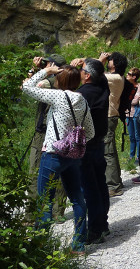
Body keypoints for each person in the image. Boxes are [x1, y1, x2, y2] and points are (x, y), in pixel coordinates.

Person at [22, 61, 95, 253]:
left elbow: (26, 87)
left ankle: (40, 246)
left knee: (45, 200)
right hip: (73, 156)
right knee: (78, 199)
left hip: (53, 154)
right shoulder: (82, 100)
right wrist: (72, 138)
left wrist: (46, 70)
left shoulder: (58, 96)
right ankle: (78, 245)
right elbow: (91, 132)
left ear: (61, 80)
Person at [25, 54, 67, 221]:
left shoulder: (47, 83)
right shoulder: (68, 81)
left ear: (53, 65)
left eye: (48, 63)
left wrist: (38, 71)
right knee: (59, 172)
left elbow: (28, 87)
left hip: (43, 133)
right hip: (61, 133)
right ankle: (58, 212)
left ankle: (30, 216)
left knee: (34, 174)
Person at [73, 57, 111, 244]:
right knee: (100, 183)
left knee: (89, 188)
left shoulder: (82, 94)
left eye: (81, 70)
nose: (79, 72)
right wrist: (94, 62)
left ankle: (95, 229)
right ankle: (102, 224)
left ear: (87, 75)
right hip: (98, 142)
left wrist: (69, 70)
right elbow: (101, 76)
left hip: (86, 145)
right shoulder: (103, 88)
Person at [100, 51, 127, 196]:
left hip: (109, 116)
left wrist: (100, 60)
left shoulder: (114, 78)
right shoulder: (116, 77)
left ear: (115, 64)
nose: (108, 60)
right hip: (111, 116)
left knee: (107, 151)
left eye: (110, 59)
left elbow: (94, 74)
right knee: (111, 149)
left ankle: (112, 186)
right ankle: (117, 181)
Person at [126, 67, 140, 160]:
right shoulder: (126, 86)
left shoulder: (139, 86)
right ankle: (131, 155)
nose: (126, 75)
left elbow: (135, 101)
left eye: (129, 74)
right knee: (131, 136)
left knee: (138, 136)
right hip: (127, 114)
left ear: (134, 77)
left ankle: (139, 156)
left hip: (136, 114)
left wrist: (126, 100)